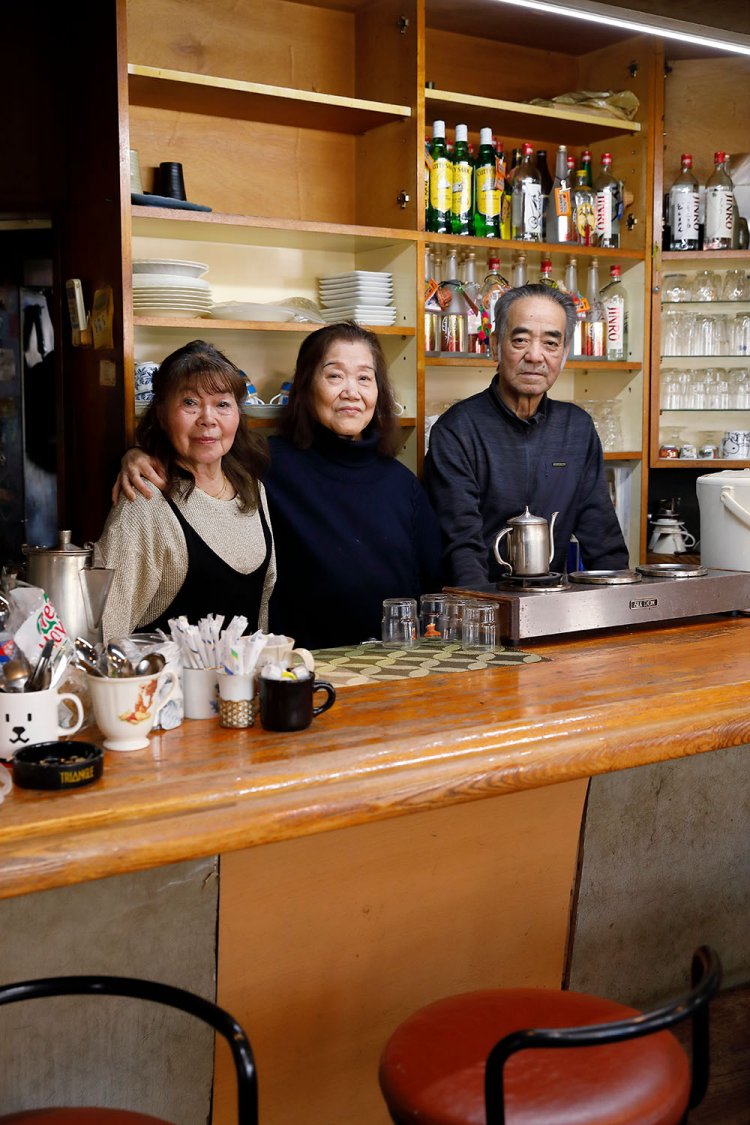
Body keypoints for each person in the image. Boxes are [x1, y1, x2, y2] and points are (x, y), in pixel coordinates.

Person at [115, 323, 443, 649]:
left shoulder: (402, 482)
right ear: (305, 385)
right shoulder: (264, 464)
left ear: (379, 392)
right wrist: (137, 454)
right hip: (301, 666)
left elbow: (433, 589)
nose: (351, 391)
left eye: (364, 378)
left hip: (393, 664)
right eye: (334, 375)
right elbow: (203, 451)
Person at [423, 283, 629, 586]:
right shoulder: (457, 431)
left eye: (550, 343)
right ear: (494, 345)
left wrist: (624, 612)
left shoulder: (577, 428)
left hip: (551, 605)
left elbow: (603, 538)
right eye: (520, 340)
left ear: (565, 353)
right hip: (478, 610)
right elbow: (462, 548)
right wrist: (487, 623)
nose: (535, 356)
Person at [97, 340, 275, 640]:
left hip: (241, 684)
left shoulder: (252, 489)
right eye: (190, 402)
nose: (208, 419)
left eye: (222, 404)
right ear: (162, 415)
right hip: (167, 685)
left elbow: (262, 608)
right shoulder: (144, 501)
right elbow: (106, 631)